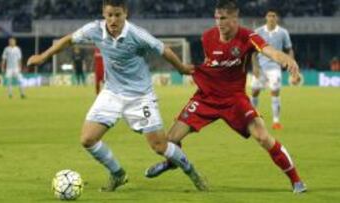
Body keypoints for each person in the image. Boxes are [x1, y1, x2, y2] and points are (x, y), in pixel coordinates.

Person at [27, 0, 207, 192]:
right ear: (104, 14)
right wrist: (43, 57)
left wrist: (181, 68)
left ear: (125, 14)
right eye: (110, 15)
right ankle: (118, 174)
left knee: (159, 146)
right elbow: (69, 39)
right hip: (111, 93)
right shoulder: (94, 29)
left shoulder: (136, 34)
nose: (113, 19)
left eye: (118, 15)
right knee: (88, 139)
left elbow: (165, 50)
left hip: (140, 97)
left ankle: (192, 172)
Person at [145, 0, 306, 194]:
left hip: (234, 99)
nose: (219, 23)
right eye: (217, 18)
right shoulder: (207, 38)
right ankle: (171, 163)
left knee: (263, 137)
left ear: (234, 18)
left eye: (224, 18)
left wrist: (287, 60)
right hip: (206, 97)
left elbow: (269, 51)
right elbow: (211, 63)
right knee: (169, 140)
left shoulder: (248, 36)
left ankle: (297, 181)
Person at [250, 9, 295, 130]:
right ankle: (252, 118)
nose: (271, 18)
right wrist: (255, 66)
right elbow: (252, 52)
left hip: (274, 67)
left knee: (275, 92)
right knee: (254, 91)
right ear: (266, 17)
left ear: (277, 18)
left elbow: (289, 49)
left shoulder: (283, 32)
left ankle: (276, 121)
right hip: (260, 67)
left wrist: (291, 64)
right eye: (269, 15)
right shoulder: (258, 31)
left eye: (273, 16)